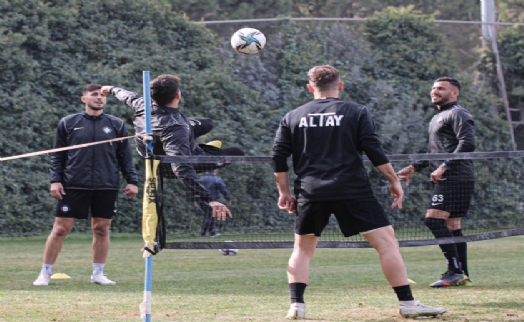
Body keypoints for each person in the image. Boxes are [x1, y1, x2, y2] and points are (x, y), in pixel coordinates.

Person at [271, 65, 447, 319]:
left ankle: (296, 306)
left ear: (310, 87)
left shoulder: (293, 116)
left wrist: (284, 192)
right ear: (340, 85)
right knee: (387, 243)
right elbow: (372, 149)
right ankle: (408, 304)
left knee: (302, 249)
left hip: (311, 191)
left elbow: (278, 157)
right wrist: (393, 180)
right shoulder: (356, 111)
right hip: (352, 189)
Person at [33, 84, 139, 287]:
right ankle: (45, 274)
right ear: (84, 99)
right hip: (73, 184)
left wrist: (132, 181)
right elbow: (58, 155)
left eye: (101, 96)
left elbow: (125, 156)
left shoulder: (116, 125)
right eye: (94, 95)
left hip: (106, 185)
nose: (99, 98)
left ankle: (98, 274)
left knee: (101, 229)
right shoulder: (68, 123)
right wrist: (55, 180)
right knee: (60, 229)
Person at [101, 74, 243, 221]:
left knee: (207, 123)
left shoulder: (143, 103)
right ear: (178, 95)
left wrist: (111, 89)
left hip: (169, 133)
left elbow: (125, 95)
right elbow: (181, 168)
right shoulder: (176, 127)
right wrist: (208, 198)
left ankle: (200, 144)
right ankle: (206, 149)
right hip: (167, 165)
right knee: (237, 152)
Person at [397, 77, 476, 288]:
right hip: (451, 176)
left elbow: (468, 143)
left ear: (455, 93)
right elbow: (435, 151)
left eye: (441, 88)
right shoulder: (438, 116)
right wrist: (414, 167)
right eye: (433, 88)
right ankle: (462, 274)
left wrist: (445, 165)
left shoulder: (458, 113)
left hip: (455, 177)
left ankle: (455, 271)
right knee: (452, 226)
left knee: (433, 219)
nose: (435, 91)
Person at [196, 169, 232, 237]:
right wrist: (228, 198)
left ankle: (211, 232)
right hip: (212, 201)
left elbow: (195, 189)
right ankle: (203, 233)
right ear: (215, 172)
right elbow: (223, 189)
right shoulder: (216, 179)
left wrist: (196, 200)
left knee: (209, 215)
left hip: (201, 200)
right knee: (209, 216)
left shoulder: (201, 179)